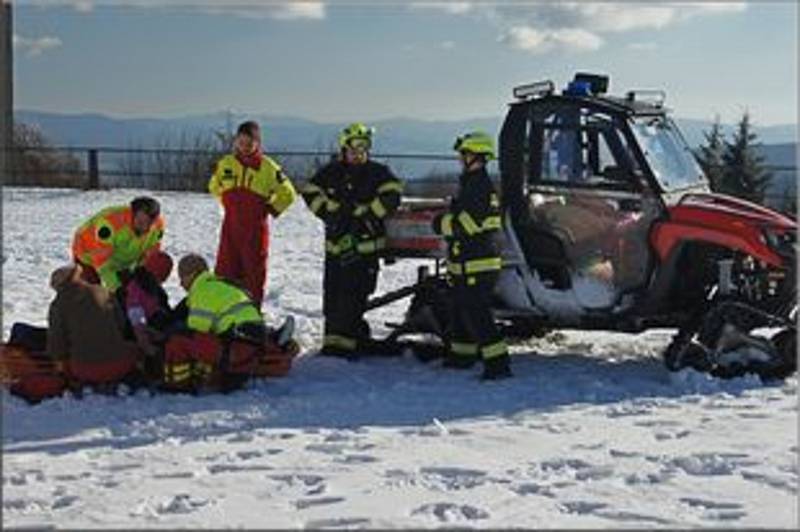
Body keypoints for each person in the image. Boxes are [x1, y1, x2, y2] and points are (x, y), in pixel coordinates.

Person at [300, 123, 403, 358]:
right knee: (332, 299)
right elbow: (309, 191)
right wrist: (330, 211)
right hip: (335, 252)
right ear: (344, 149)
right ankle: (332, 343)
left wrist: (366, 213)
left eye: (363, 148)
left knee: (352, 299)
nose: (358, 154)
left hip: (362, 252)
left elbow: (393, 194)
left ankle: (344, 349)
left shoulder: (378, 172)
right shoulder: (332, 172)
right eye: (354, 149)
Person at [432, 131, 512, 380]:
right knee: (460, 312)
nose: (460, 158)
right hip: (466, 263)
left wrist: (441, 223)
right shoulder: (470, 183)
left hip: (478, 263)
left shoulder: (479, 186)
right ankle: (461, 357)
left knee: (478, 315)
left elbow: (468, 224)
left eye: (464, 154)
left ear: (475, 156)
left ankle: (498, 365)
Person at [163, 254, 294, 392]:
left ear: (193, 274)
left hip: (235, 350)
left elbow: (196, 331)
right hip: (253, 339)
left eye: (182, 277)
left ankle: (178, 386)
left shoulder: (203, 291)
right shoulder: (222, 285)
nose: (181, 284)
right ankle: (274, 342)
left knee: (180, 339)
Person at [208, 121, 297, 307]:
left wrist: (271, 209)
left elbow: (288, 193)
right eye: (241, 142)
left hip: (254, 231)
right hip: (230, 229)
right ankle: (222, 311)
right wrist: (226, 201)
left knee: (253, 274)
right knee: (225, 270)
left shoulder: (268, 167)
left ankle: (251, 315)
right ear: (235, 142)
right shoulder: (226, 164)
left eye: (250, 143)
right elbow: (214, 185)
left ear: (258, 143)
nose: (245, 147)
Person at [46, 263, 140, 388]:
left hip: (84, 370)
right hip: (120, 365)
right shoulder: (104, 292)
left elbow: (56, 345)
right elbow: (121, 325)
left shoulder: (58, 305)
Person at [72, 196, 165, 291]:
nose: (145, 228)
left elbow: (150, 256)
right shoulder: (110, 224)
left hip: (122, 259)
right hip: (88, 255)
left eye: (150, 223)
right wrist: (117, 289)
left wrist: (142, 280)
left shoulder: (158, 227)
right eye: (141, 222)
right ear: (133, 214)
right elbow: (102, 263)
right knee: (93, 294)